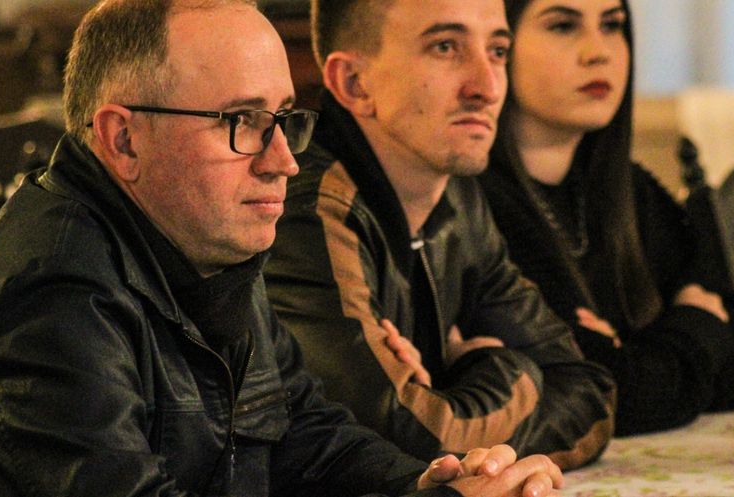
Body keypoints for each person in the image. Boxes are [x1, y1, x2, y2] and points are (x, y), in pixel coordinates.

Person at [0, 1, 567, 496]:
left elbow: (303, 435)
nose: (283, 161)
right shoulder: (52, 301)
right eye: (242, 121)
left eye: (283, 120)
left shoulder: (199, 240)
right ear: (123, 139)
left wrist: (429, 481)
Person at [263, 0, 615, 470]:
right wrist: (504, 369)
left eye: (497, 51)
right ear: (354, 83)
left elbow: (591, 394)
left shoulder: (461, 198)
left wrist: (450, 394)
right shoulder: (307, 209)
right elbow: (395, 448)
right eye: (445, 47)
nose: (488, 88)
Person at [478, 0, 734, 436]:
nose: (599, 52)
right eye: (563, 26)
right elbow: (606, 398)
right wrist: (697, 323)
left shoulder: (630, 187)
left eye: (612, 25)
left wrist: (641, 355)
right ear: (499, 45)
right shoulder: (478, 206)